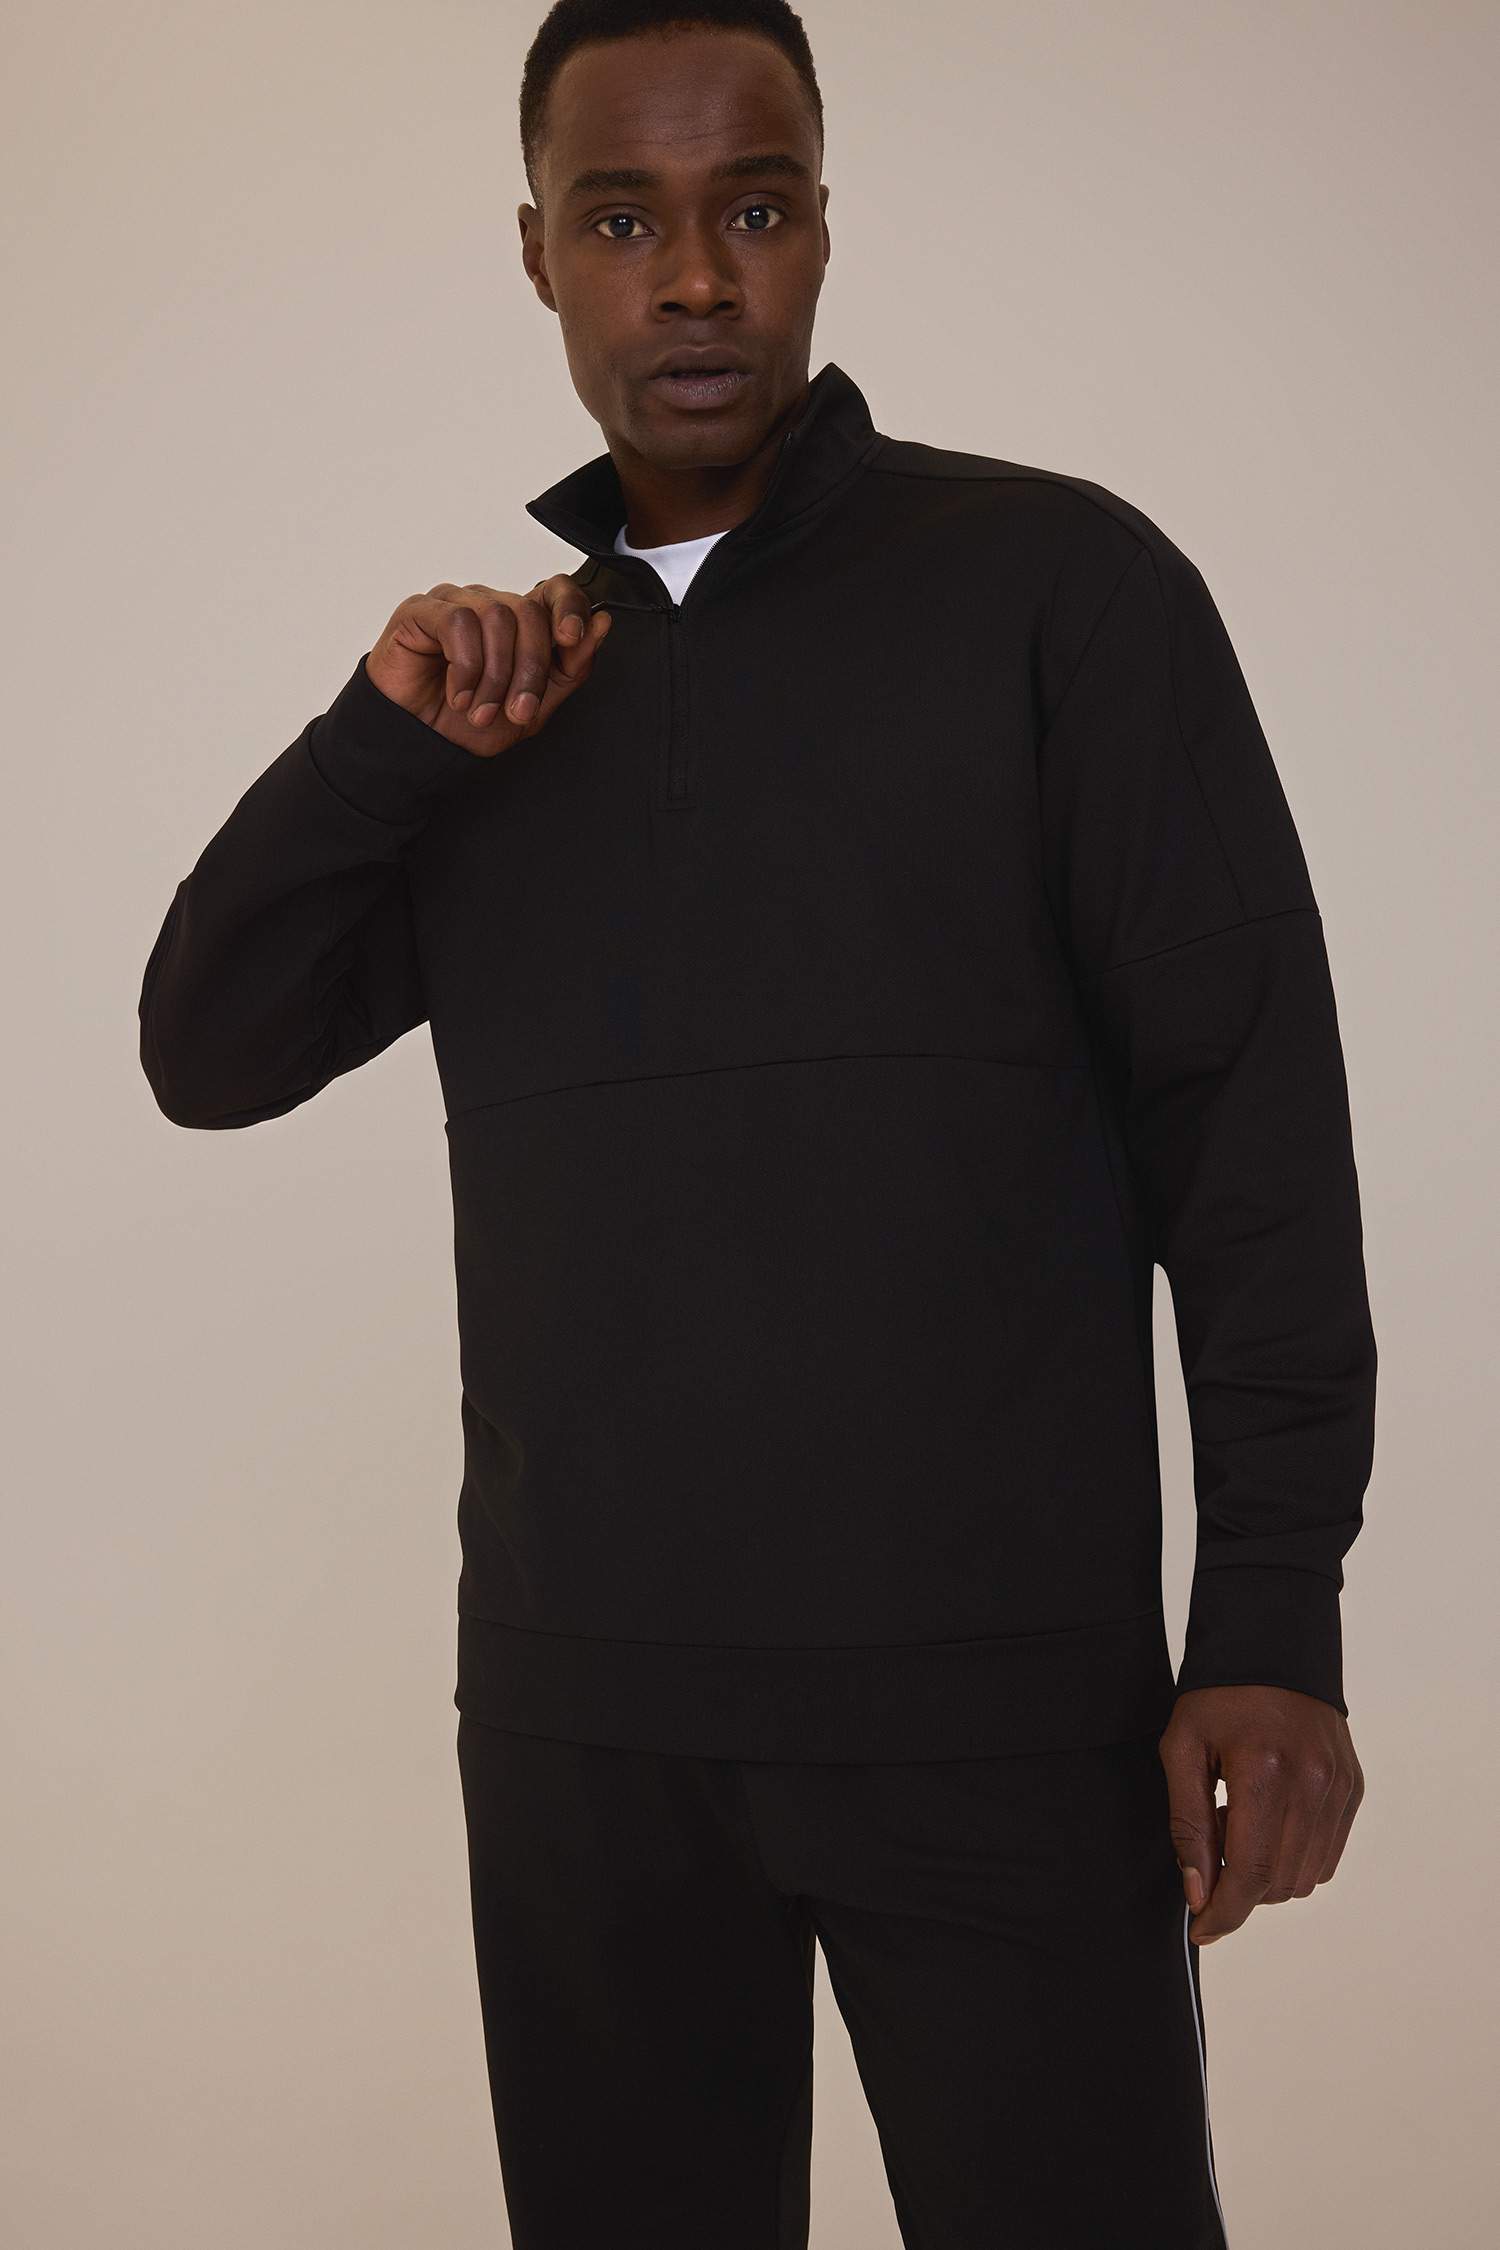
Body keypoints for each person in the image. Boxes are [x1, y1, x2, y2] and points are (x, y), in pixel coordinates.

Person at [136, 3, 1378, 2243]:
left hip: (1004, 1718)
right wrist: (378, 743)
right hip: (589, 1735)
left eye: (755, 207)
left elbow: (1252, 1133)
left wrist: (1271, 1621)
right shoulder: (504, 702)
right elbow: (206, 1050)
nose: (695, 277)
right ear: (539, 253)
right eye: (623, 221)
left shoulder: (1062, 595)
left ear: (820, 231)